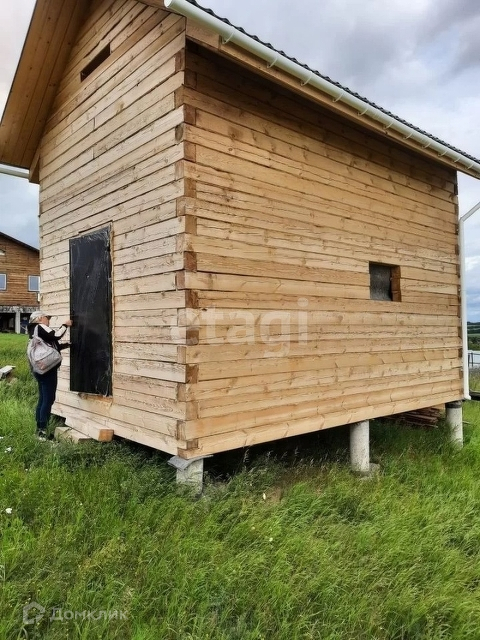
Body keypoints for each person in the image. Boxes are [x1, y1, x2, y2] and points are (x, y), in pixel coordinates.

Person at [27, 310, 73, 440]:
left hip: (39, 369)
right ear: (40, 318)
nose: (49, 320)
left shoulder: (33, 330)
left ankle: (39, 430)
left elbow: (50, 345)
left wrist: (67, 345)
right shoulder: (39, 326)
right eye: (47, 318)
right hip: (47, 370)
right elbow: (56, 336)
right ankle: (42, 432)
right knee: (48, 399)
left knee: (43, 399)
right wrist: (66, 325)